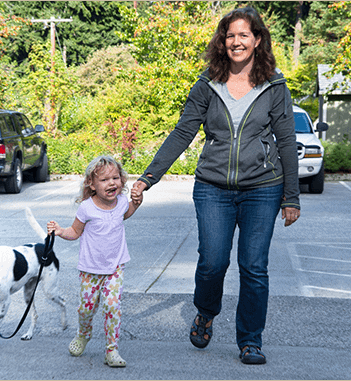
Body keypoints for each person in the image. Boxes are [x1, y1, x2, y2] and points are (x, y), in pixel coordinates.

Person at [131, 6, 300, 365]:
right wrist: (149, 177)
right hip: (213, 188)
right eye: (230, 35)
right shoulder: (208, 83)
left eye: (244, 35)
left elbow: (286, 141)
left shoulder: (275, 85)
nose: (236, 41)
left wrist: (292, 196)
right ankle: (206, 311)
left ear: (257, 40)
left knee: (254, 266)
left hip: (263, 188)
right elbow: (182, 133)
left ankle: (250, 340)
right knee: (212, 262)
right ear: (222, 42)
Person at [47, 155, 143, 367]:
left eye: (116, 178)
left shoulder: (121, 203)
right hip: (90, 270)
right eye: (105, 180)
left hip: (115, 267)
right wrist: (60, 231)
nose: (112, 183)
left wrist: (137, 202)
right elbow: (75, 231)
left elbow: (126, 214)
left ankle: (112, 350)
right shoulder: (86, 208)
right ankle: (83, 334)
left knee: (112, 306)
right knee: (86, 309)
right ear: (91, 184)